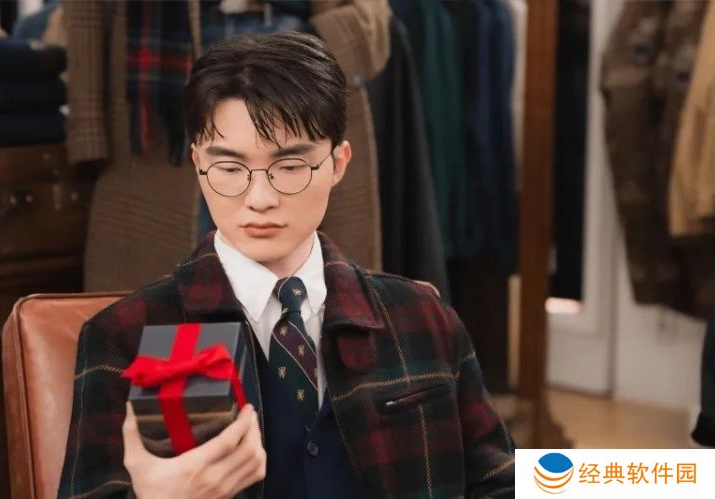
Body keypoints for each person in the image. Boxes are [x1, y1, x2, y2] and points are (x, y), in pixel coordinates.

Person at [57, 31, 515, 499]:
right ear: (197, 164)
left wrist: (569, 481)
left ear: (338, 163)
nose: (260, 199)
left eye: (291, 167)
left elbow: (506, 482)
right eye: (230, 168)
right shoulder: (132, 334)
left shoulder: (422, 315)